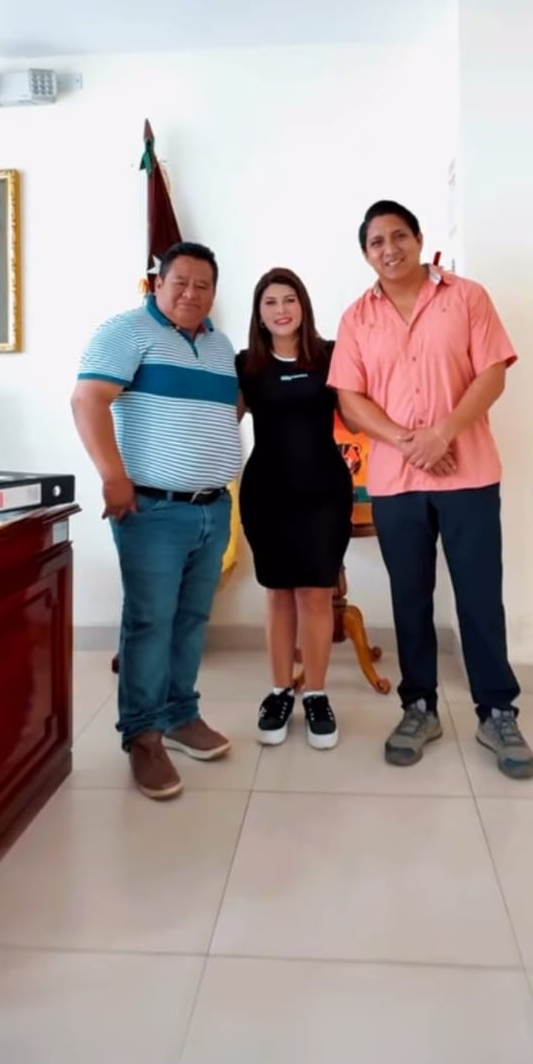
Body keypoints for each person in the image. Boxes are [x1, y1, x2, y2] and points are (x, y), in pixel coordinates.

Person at [329, 201, 533, 778]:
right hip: (396, 482)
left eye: (399, 236)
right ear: (366, 254)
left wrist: (442, 433)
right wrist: (409, 441)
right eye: (376, 242)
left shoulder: (467, 298)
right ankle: (418, 707)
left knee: (479, 595)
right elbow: (350, 400)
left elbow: (492, 373)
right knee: (410, 596)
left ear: (419, 239)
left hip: (468, 473)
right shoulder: (356, 319)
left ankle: (497, 712)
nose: (389, 249)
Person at [71, 241, 241, 801]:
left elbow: (225, 412)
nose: (191, 293)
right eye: (180, 282)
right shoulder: (126, 332)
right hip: (152, 510)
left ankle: (179, 714)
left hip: (213, 507)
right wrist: (112, 477)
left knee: (192, 619)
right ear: (157, 283)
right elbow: (88, 400)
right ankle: (142, 736)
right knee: (149, 622)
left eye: (203, 285)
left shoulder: (220, 345)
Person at [236, 268, 352, 750]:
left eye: (289, 299)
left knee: (316, 594)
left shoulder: (330, 355)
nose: (281, 309)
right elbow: (222, 420)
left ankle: (317, 695)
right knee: (278, 594)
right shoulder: (246, 365)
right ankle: (281, 691)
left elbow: (357, 414)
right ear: (259, 314)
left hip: (324, 493)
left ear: (303, 305)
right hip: (267, 493)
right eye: (270, 302)